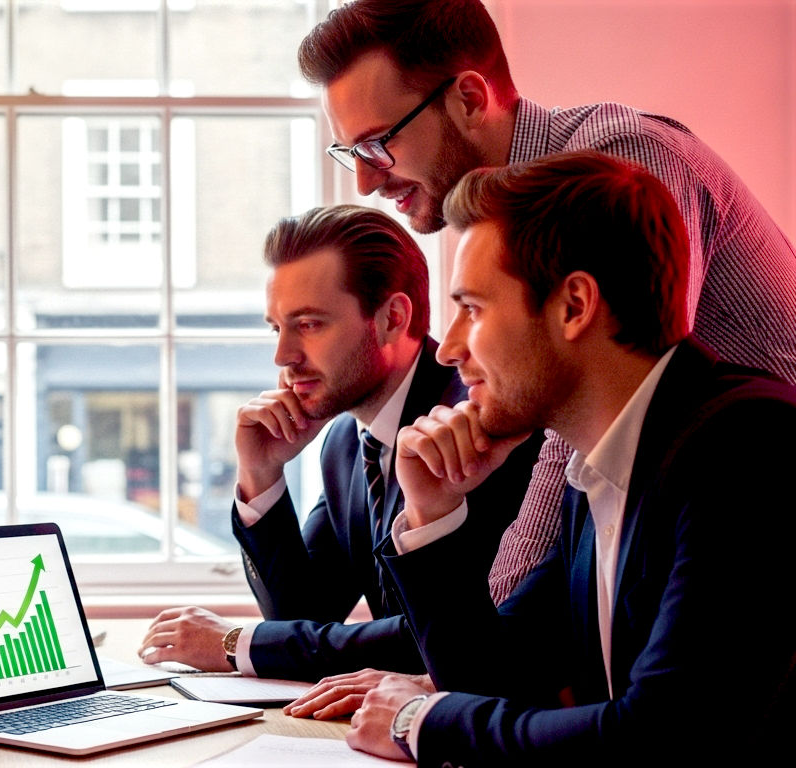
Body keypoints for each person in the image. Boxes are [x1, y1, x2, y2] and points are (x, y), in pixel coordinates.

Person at [300, 0, 796, 607]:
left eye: (378, 145)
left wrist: (476, 656)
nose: (366, 184)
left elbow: (606, 402)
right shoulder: (496, 217)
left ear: (470, 99)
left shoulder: (619, 166)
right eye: (351, 154)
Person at [345, 151, 796, 765]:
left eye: (472, 308)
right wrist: (434, 514)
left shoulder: (748, 443)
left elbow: (660, 736)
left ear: (574, 305)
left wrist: (420, 723)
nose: (447, 350)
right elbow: (498, 680)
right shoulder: (596, 472)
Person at [137, 205, 539, 710]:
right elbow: (304, 612)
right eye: (276, 328)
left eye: (308, 325)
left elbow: (449, 629)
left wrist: (235, 643)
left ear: (392, 319)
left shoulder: (477, 420)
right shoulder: (347, 441)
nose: (283, 356)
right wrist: (260, 474)